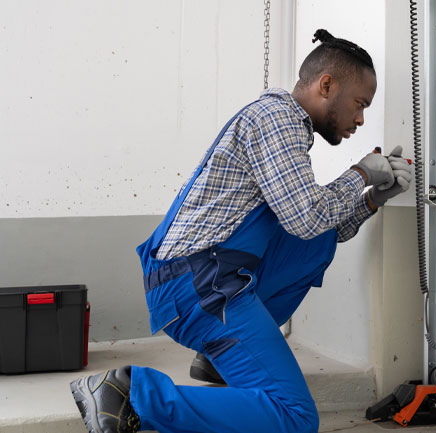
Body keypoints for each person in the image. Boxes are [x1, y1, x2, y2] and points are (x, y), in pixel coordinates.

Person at [69, 29, 412, 433]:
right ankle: (128, 393)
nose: (360, 118)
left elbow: (318, 229)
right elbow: (307, 215)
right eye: (359, 104)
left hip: (209, 278)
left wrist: (373, 199)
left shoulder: (286, 126)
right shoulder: (277, 118)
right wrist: (359, 174)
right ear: (326, 85)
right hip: (198, 285)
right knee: (295, 417)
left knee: (316, 244)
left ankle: (218, 359)